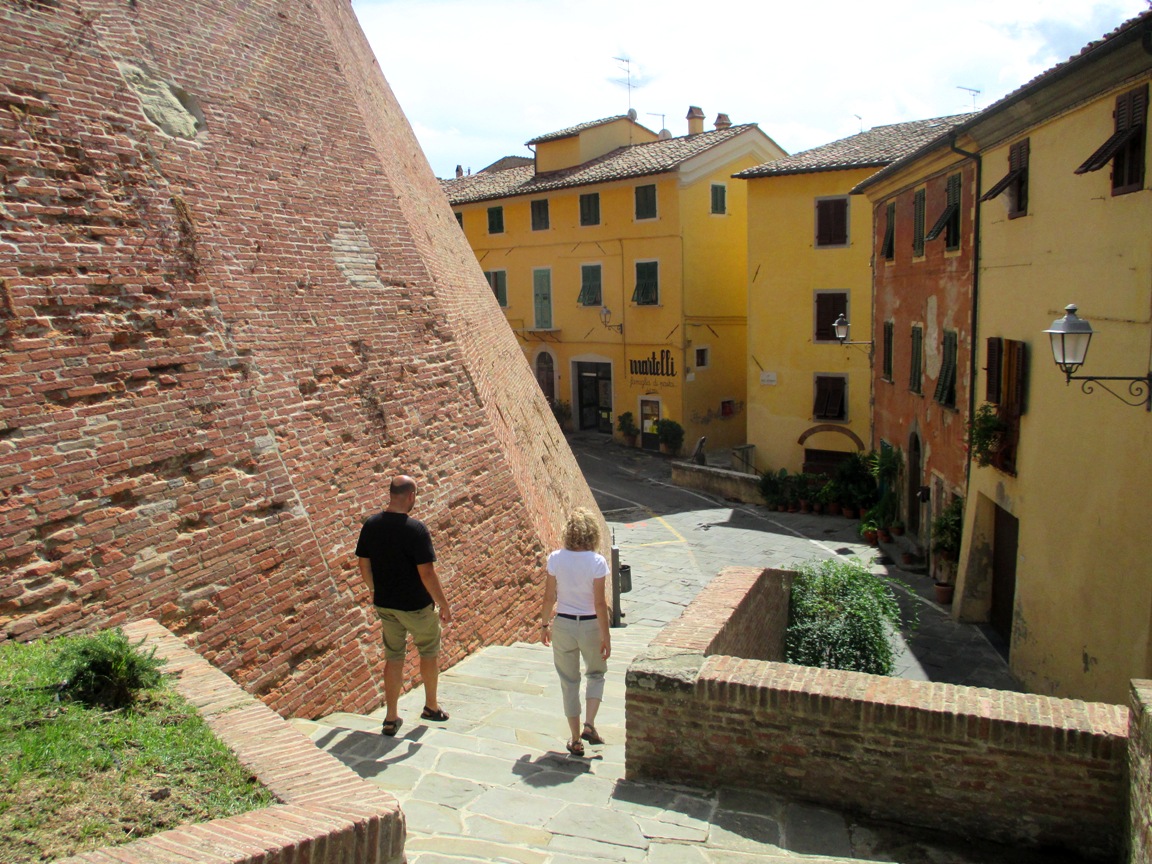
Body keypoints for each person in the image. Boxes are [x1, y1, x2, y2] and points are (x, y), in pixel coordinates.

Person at [356, 474, 453, 737]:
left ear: (391, 494)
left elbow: (363, 563)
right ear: (411, 496)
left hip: (386, 605)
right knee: (428, 652)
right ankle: (431, 706)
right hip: (417, 606)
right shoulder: (416, 529)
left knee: (393, 657)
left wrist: (374, 589)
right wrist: (443, 604)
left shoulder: (371, 525)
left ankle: (390, 717)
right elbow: (427, 574)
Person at [539, 507, 611, 756]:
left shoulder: (556, 558)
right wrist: (606, 635)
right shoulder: (597, 562)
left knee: (569, 682)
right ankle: (589, 724)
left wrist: (544, 625)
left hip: (564, 624)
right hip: (591, 624)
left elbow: (549, 597)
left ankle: (574, 739)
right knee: (596, 673)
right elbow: (600, 603)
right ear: (592, 534)